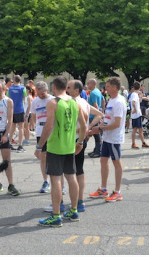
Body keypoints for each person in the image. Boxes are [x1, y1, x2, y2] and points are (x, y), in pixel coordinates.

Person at [36, 77, 86, 226]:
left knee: (56, 179)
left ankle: (56, 215)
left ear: (54, 87)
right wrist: (80, 142)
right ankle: (74, 210)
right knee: (71, 177)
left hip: (56, 146)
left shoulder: (53, 102)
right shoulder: (75, 102)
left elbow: (48, 126)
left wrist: (39, 146)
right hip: (70, 146)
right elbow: (84, 125)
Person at [67, 80, 102, 213]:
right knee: (79, 171)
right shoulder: (84, 102)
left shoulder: (74, 102)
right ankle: (80, 201)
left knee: (70, 173)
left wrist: (84, 128)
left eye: (69, 88)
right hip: (81, 139)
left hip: (74, 140)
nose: (66, 90)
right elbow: (100, 114)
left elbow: (98, 115)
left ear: (76, 90)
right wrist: (89, 127)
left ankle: (72, 203)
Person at [88, 77, 126, 202]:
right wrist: (101, 124)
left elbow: (117, 123)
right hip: (107, 137)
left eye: (108, 86)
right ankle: (103, 189)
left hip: (114, 138)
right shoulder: (111, 100)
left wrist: (100, 128)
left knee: (116, 162)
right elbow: (108, 118)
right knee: (103, 161)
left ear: (115, 87)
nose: (106, 88)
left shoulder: (119, 101)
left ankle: (118, 192)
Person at [0, 80, 18, 196]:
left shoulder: (8, 101)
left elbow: (10, 119)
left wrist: (7, 135)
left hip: (3, 133)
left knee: (7, 160)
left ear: (4, 90)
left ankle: (11, 185)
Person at [30, 81, 54, 194]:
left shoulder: (53, 100)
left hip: (53, 132)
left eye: (42, 94)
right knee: (43, 156)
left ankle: (59, 183)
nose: (40, 96)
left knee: (55, 157)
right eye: (38, 94)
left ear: (47, 90)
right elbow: (34, 116)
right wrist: (33, 128)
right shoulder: (35, 101)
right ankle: (46, 181)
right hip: (41, 132)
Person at [8, 75, 28, 153]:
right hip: (20, 109)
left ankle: (9, 143)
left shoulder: (10, 89)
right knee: (21, 128)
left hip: (12, 110)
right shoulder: (23, 88)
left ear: (14, 80)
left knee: (12, 127)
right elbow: (25, 98)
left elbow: (7, 98)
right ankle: (20, 145)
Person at [129, 82, 149, 149]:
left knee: (140, 129)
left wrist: (140, 96)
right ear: (139, 87)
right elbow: (133, 102)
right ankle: (133, 143)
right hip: (136, 114)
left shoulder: (135, 94)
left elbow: (139, 101)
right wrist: (135, 109)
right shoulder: (134, 95)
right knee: (135, 129)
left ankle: (143, 142)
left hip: (137, 114)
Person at [86, 79, 104, 158]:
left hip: (93, 117)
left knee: (96, 135)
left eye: (88, 83)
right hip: (96, 115)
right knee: (96, 134)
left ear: (92, 84)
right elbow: (103, 100)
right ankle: (96, 150)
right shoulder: (98, 91)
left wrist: (98, 115)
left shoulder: (93, 93)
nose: (87, 85)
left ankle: (98, 151)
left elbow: (95, 105)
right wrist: (102, 112)